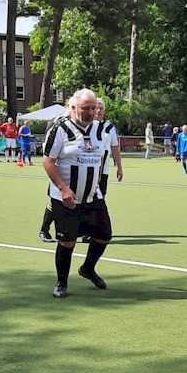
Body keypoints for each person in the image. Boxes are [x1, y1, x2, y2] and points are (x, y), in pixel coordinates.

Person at [42, 88, 113, 298]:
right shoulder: (60, 128)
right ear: (73, 107)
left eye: (93, 108)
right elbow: (48, 161)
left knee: (104, 235)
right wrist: (63, 188)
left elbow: (102, 159)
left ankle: (87, 269)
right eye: (85, 108)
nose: (91, 112)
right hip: (65, 197)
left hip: (92, 196)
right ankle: (61, 282)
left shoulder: (101, 130)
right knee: (68, 241)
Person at [82, 98, 123, 242]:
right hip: (87, 170)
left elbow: (115, 147)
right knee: (86, 199)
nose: (98, 111)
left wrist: (119, 167)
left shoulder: (109, 127)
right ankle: (84, 230)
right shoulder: (85, 125)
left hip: (103, 172)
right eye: (96, 108)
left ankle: (94, 230)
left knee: (99, 200)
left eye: (101, 108)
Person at [39, 100, 75, 242]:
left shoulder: (80, 122)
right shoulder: (58, 121)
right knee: (57, 201)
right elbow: (48, 146)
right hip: (60, 168)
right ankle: (44, 229)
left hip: (76, 170)